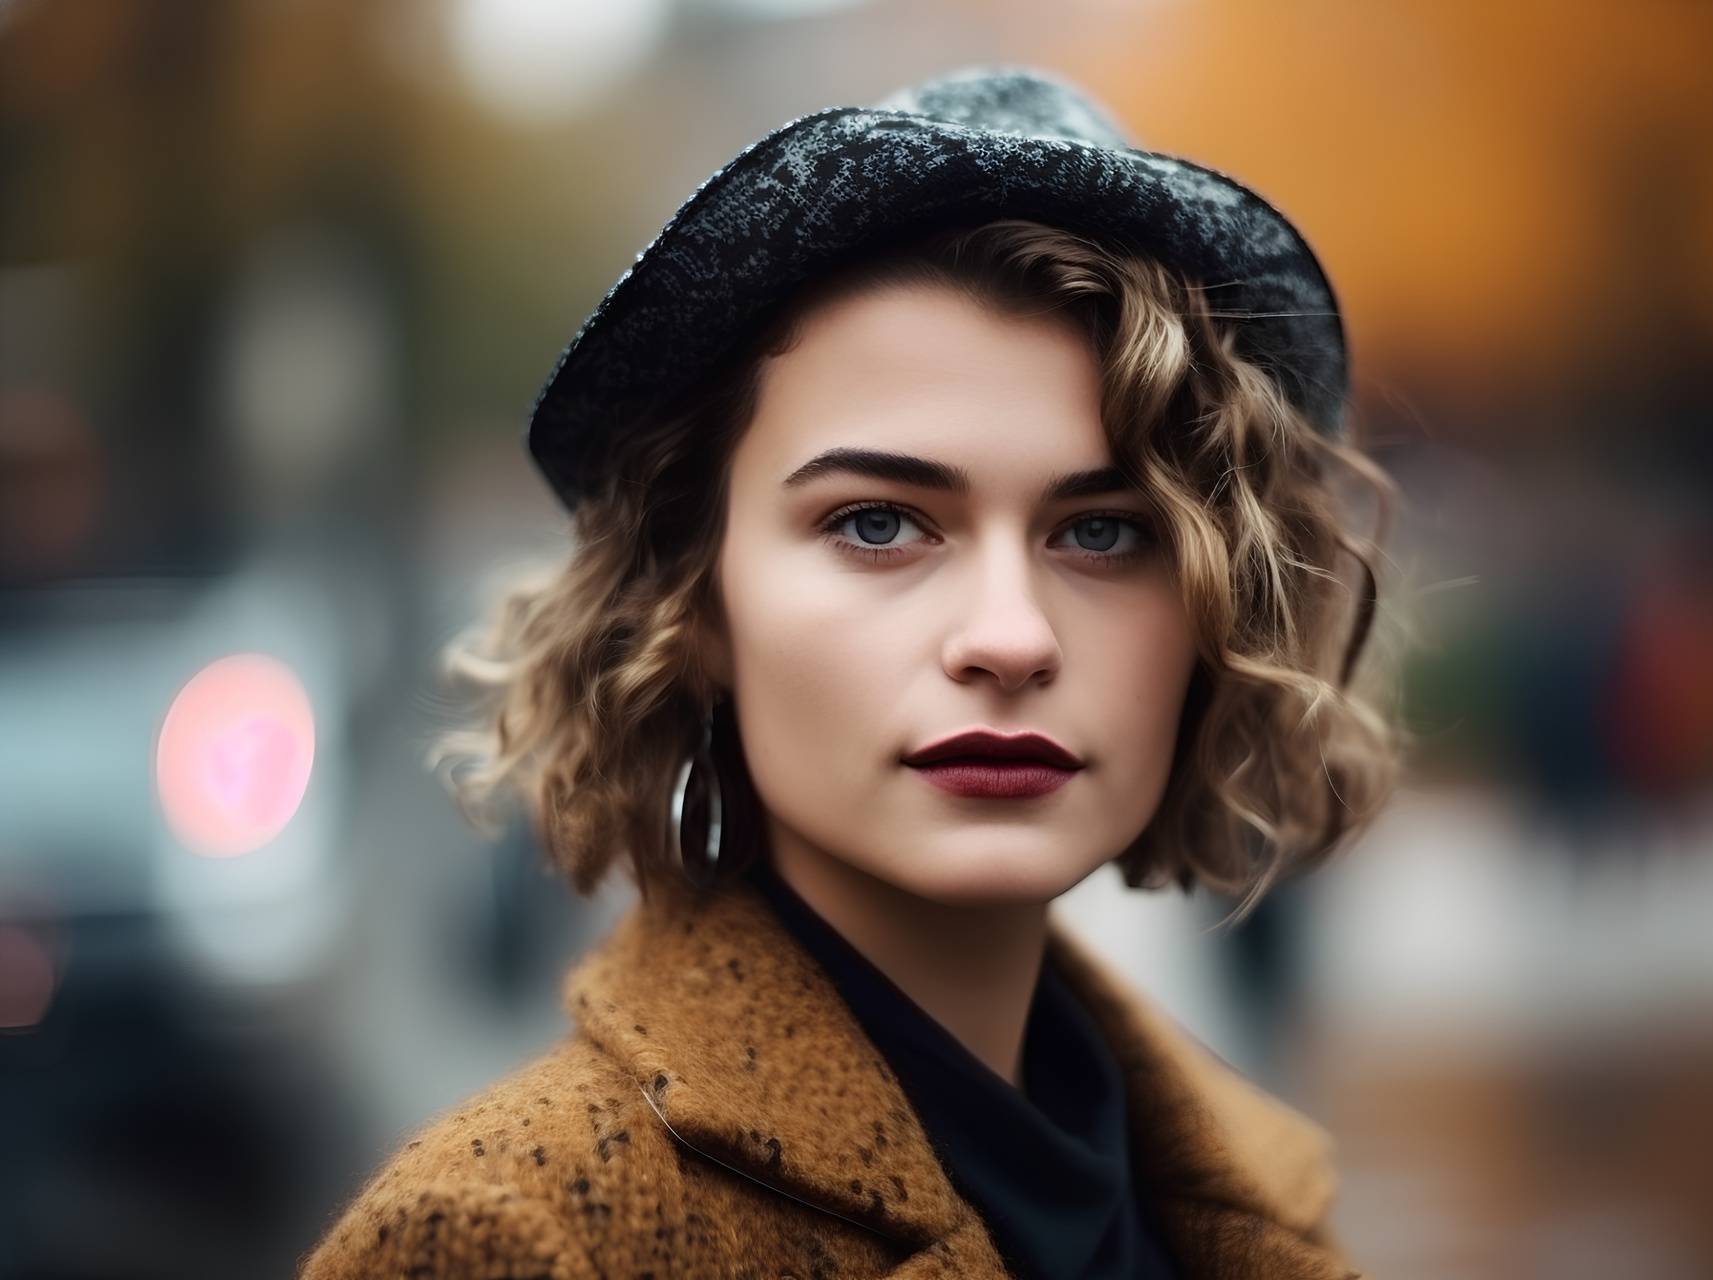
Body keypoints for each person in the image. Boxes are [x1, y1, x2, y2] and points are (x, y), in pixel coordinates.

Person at [298, 64, 1405, 1280]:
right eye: (880, 522)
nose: (1009, 636)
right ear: (692, 598)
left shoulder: (1248, 1200)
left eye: (1103, 529)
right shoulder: (511, 1238)